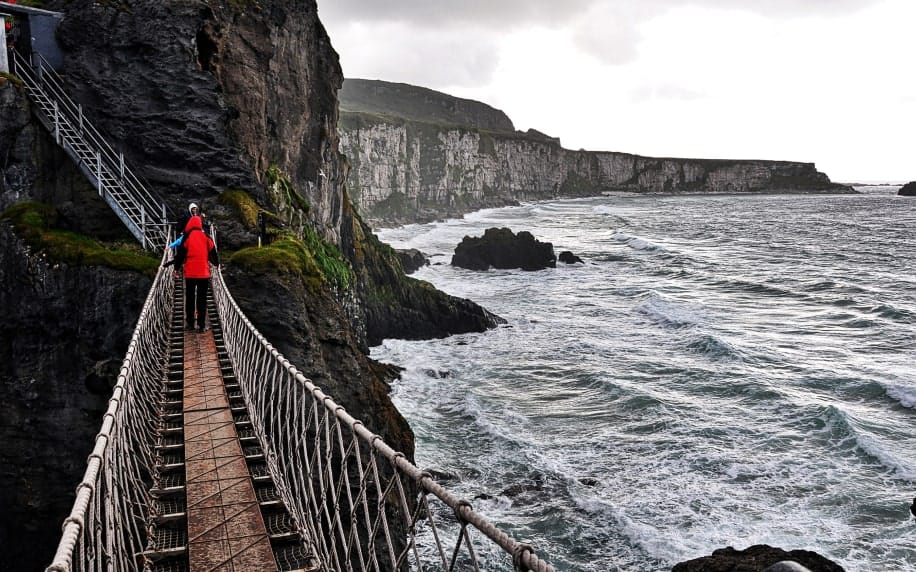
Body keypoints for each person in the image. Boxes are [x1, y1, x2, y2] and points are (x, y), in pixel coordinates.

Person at [171, 215, 219, 332]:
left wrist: (176, 268)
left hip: (190, 274)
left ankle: (190, 323)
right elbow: (213, 252)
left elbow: (180, 255)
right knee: (202, 299)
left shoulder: (186, 237)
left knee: (190, 298)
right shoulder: (206, 236)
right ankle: (201, 325)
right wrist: (216, 264)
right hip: (203, 273)